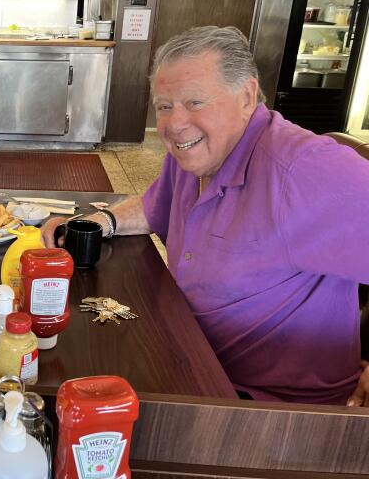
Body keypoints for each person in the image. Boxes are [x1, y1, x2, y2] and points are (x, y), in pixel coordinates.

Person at [42, 26, 369, 406]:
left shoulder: (300, 170)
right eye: (164, 106)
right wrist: (104, 222)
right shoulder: (194, 155)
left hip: (271, 408)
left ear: (246, 95)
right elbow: (155, 207)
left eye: (195, 102)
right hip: (191, 359)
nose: (175, 124)